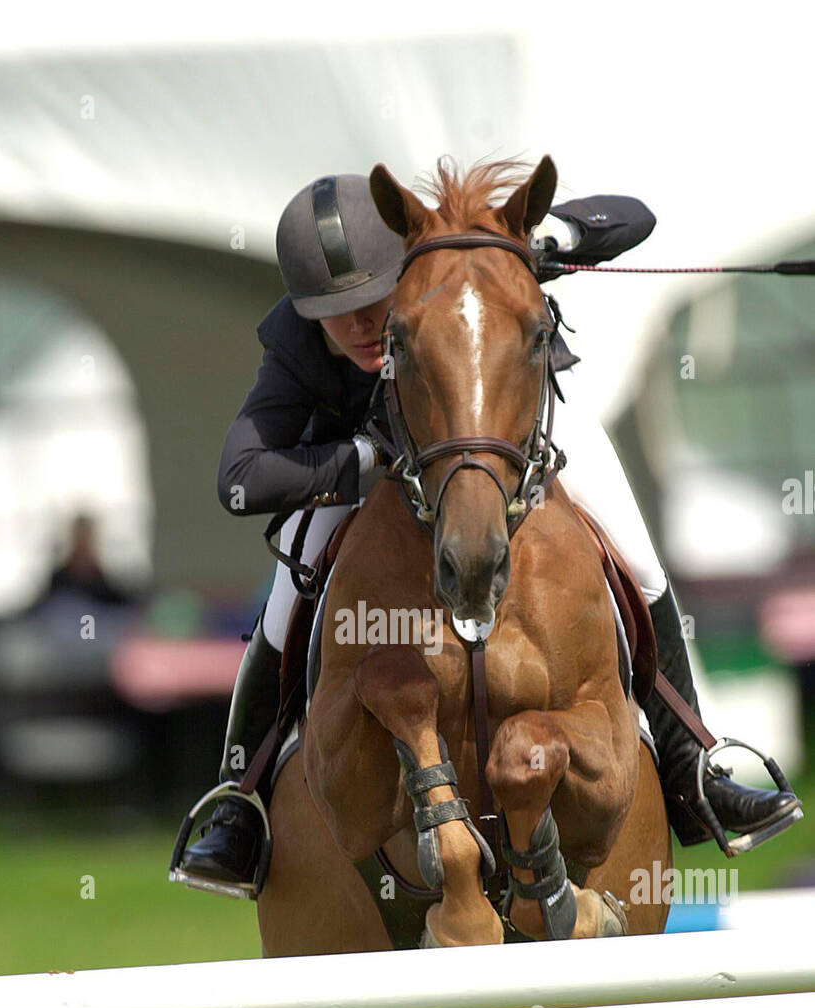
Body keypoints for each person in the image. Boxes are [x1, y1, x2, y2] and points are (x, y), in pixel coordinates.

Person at [173, 170, 800, 895]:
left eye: (372, 298)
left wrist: (553, 235)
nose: (359, 325)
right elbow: (240, 479)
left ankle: (696, 765)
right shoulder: (297, 345)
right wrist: (367, 456)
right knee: (291, 584)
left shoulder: (464, 261)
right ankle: (240, 799)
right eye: (332, 313)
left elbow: (638, 216)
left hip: (517, 430)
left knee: (640, 556)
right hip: (383, 465)